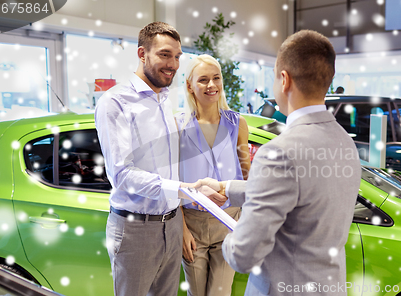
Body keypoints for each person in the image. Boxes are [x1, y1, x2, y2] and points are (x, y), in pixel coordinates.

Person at [200, 30, 361, 296]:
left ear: (284, 80)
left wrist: (230, 236)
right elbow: (302, 190)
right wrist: (227, 188)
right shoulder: (344, 141)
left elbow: (243, 255)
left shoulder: (280, 152)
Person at [95, 22, 195, 296]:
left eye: (177, 57)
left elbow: (170, 164)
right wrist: (180, 189)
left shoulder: (164, 98)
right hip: (135, 229)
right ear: (142, 54)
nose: (173, 64)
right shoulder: (115, 102)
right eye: (164, 54)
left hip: (172, 224)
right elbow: (122, 174)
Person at [176, 54, 251, 296]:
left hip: (229, 221)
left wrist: (245, 222)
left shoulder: (237, 123)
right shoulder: (177, 125)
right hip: (192, 222)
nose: (211, 85)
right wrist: (182, 229)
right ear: (189, 85)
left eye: (216, 78)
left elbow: (248, 178)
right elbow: (172, 182)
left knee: (220, 293)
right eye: (203, 80)